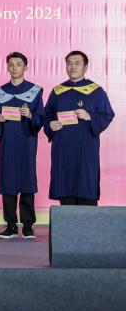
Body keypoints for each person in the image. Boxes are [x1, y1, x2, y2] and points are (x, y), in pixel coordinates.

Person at [44, 50, 115, 206]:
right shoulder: (57, 91)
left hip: (85, 148)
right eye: (69, 63)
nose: (72, 67)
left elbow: (107, 114)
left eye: (77, 63)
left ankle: (88, 221)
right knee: (65, 188)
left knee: (86, 184)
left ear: (85, 67)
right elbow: (46, 115)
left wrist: (90, 116)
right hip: (63, 148)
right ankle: (67, 221)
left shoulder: (96, 91)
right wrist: (50, 124)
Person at [0, 52, 44, 239]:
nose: (14, 67)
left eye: (18, 64)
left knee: (27, 181)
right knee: (8, 182)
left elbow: (42, 118)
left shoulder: (35, 91)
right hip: (7, 143)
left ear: (25, 67)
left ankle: (28, 225)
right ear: (7, 67)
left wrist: (31, 115)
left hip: (26, 142)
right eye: (11, 64)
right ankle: (11, 225)